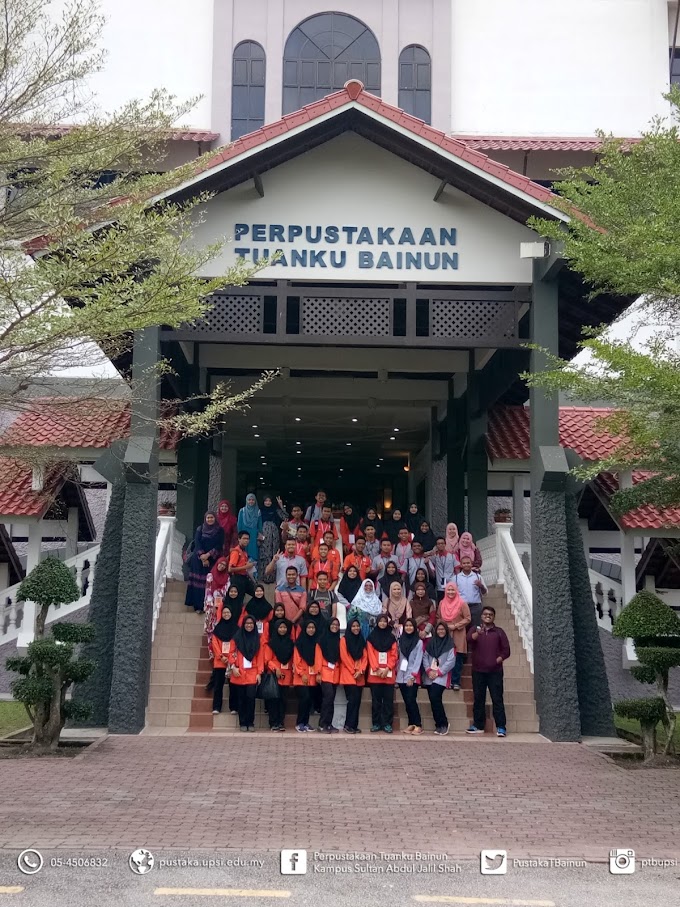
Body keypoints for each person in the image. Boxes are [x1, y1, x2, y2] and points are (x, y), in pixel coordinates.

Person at [466, 606, 511, 738]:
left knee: (497, 699)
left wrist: (498, 659)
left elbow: (506, 650)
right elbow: (469, 639)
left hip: (495, 672)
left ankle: (501, 727)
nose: (488, 616)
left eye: (490, 614)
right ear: (481, 616)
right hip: (478, 671)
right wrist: (477, 634)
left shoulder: (499, 632)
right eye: (485, 614)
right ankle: (478, 725)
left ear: (493, 617)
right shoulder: (475, 629)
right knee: (478, 699)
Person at [228, 614, 264, 731]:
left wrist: (259, 672)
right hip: (239, 672)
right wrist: (233, 667)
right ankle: (242, 723)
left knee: (251, 698)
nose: (249, 626)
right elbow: (230, 653)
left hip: (252, 673)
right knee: (241, 699)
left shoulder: (257, 639)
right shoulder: (236, 638)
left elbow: (260, 657)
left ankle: (250, 722)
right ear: (243, 625)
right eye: (247, 624)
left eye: (251, 624)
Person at [184, 512, 225, 611]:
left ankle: (209, 605)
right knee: (198, 584)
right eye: (208, 518)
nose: (210, 520)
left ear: (215, 518)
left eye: (212, 517)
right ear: (205, 519)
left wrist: (208, 555)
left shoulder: (219, 530)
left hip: (213, 559)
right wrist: (202, 556)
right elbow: (197, 543)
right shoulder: (200, 529)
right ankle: (198, 606)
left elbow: (219, 545)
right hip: (198, 559)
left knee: (209, 583)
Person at [422, 621, 456, 735]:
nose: (441, 631)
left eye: (443, 629)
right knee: (433, 700)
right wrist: (428, 670)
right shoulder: (431, 643)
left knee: (435, 696)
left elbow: (451, 661)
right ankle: (438, 725)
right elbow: (425, 657)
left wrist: (439, 672)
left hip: (442, 676)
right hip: (429, 675)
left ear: (446, 631)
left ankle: (444, 723)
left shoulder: (450, 644)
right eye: (438, 629)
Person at [366, 613, 398, 733]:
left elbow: (394, 655)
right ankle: (376, 723)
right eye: (381, 621)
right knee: (376, 701)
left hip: (388, 674)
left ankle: (387, 724)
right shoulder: (371, 637)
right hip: (375, 675)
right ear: (377, 622)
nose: (383, 623)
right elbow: (370, 654)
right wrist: (376, 669)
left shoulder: (391, 638)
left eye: (385, 621)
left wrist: (387, 668)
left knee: (388, 701)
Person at [436, 581, 471, 690]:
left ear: (456, 591)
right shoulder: (442, 603)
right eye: (448, 590)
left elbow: (468, 618)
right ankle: (446, 681)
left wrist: (455, 625)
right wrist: (443, 627)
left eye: (453, 590)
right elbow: (438, 617)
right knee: (445, 658)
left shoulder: (462, 603)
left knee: (457, 658)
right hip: (445, 635)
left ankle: (455, 682)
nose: (451, 592)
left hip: (458, 634)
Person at [264, 617, 294, 732]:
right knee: (273, 700)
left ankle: (281, 722)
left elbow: (292, 659)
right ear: (276, 629)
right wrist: (275, 669)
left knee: (283, 700)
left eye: (284, 627)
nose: (282, 629)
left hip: (286, 675)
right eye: (280, 627)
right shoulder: (271, 643)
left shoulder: (290, 643)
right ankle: (273, 723)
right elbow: (267, 659)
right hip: (274, 675)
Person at [210, 601, 240, 715]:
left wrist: (230, 658)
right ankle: (216, 707)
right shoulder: (217, 629)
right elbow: (215, 644)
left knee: (233, 685)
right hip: (219, 662)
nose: (226, 614)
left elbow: (236, 645)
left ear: (231, 614)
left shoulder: (236, 629)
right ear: (221, 614)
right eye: (224, 612)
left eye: (228, 612)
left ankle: (234, 707)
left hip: (231, 661)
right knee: (218, 685)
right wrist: (221, 656)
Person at [396, 617, 424, 735]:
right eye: (406, 626)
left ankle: (418, 725)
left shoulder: (419, 642)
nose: (408, 628)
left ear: (415, 628)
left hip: (412, 676)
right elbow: (399, 658)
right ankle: (411, 724)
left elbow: (418, 660)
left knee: (411, 700)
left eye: (411, 626)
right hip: (401, 675)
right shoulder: (400, 641)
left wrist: (412, 676)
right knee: (407, 701)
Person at [340, 617, 368, 734]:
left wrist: (361, 670)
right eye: (353, 626)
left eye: (357, 626)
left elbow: (365, 657)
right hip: (349, 675)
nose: (356, 628)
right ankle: (348, 725)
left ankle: (353, 725)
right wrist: (354, 671)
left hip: (359, 676)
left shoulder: (361, 640)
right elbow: (344, 657)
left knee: (357, 701)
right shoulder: (344, 640)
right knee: (352, 700)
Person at [293, 620, 320, 732]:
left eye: (313, 628)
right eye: (309, 627)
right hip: (301, 678)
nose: (311, 630)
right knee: (304, 698)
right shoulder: (299, 643)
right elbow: (296, 660)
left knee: (309, 701)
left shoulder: (317, 643)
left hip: (313, 677)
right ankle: (299, 723)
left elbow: (318, 659)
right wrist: (301, 673)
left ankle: (306, 722)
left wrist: (318, 672)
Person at [317, 617, 341, 733]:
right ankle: (322, 724)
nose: (335, 626)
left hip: (335, 673)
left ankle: (329, 723)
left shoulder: (339, 640)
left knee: (331, 699)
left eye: (337, 625)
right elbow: (318, 657)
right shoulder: (322, 640)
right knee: (328, 697)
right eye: (333, 624)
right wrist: (318, 673)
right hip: (325, 673)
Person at [258, 495, 288, 582]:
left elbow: (285, 517)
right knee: (264, 554)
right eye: (266, 501)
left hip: (274, 534)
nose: (268, 503)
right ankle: (263, 577)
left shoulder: (275, 510)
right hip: (263, 533)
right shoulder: (260, 511)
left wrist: (281, 505)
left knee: (273, 553)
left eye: (269, 501)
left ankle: (273, 577)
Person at [456, 555, 488, 627]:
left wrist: (481, 586)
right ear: (461, 565)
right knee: (463, 629)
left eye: (468, 563)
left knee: (476, 629)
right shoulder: (456, 578)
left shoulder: (478, 577)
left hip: (475, 607)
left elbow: (485, 593)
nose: (466, 565)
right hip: (461, 607)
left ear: (471, 564)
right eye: (464, 563)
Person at [228, 530, 257, 597]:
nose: (246, 541)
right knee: (239, 599)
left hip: (244, 577)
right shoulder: (236, 551)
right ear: (239, 539)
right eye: (244, 538)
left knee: (257, 593)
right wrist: (246, 567)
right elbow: (230, 569)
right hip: (237, 578)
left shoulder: (244, 552)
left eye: (247, 539)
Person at [237, 494, 263, 571]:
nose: (251, 501)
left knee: (253, 554)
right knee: (243, 551)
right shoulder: (242, 511)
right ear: (246, 501)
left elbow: (260, 524)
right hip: (244, 534)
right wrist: (240, 537)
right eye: (249, 500)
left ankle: (253, 575)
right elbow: (239, 524)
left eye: (253, 500)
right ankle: (243, 572)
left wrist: (260, 535)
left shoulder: (258, 511)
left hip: (254, 536)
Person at [432, 536, 458, 601]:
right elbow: (424, 555)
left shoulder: (452, 556)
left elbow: (457, 570)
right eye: (438, 544)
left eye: (442, 543)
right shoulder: (434, 557)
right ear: (436, 546)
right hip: (440, 586)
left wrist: (457, 583)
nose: (440, 545)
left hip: (451, 584)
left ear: (445, 544)